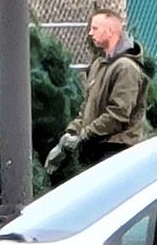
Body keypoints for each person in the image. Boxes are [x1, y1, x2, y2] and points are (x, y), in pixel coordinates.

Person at [46, 9, 148, 171]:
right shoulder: (99, 65)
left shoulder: (126, 68)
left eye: (95, 28)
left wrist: (83, 135)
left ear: (109, 31)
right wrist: (71, 133)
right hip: (94, 149)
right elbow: (87, 108)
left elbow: (118, 116)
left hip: (116, 151)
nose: (89, 33)